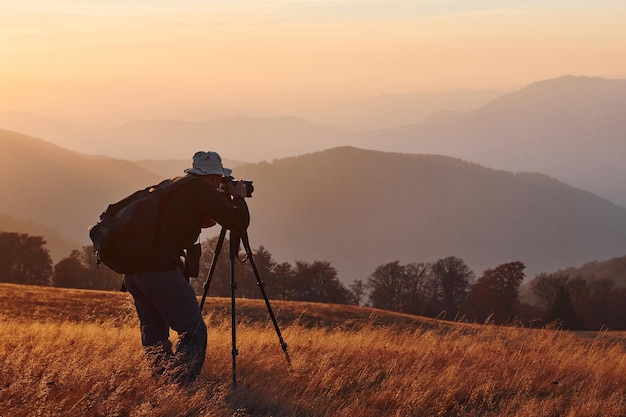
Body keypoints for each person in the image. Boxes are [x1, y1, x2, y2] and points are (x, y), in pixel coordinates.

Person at [123, 151, 250, 385]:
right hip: (160, 271)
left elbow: (189, 221)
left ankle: (162, 384)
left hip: (134, 270)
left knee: (155, 333)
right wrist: (239, 197)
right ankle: (179, 386)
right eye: (220, 179)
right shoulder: (202, 190)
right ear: (213, 177)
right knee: (193, 331)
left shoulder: (176, 186)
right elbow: (237, 222)